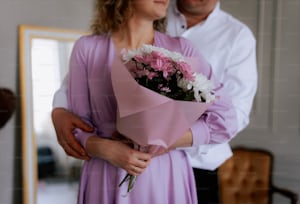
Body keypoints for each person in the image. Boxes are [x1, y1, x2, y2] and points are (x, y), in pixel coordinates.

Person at [57, 0, 238, 203]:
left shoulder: (182, 50)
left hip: (164, 175)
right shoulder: (87, 48)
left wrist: (167, 139)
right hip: (105, 173)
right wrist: (104, 148)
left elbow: (226, 121)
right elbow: (76, 127)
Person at [166, 0, 258, 203]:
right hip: (133, 162)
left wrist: (166, 140)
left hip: (197, 169)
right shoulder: (148, 12)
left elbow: (235, 115)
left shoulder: (238, 36)